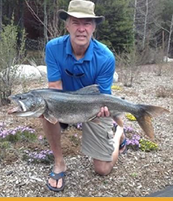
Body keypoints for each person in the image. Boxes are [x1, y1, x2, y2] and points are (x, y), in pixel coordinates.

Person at [43, 0, 126, 192]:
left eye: (87, 23)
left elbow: (102, 97)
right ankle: (59, 162)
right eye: (75, 22)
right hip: (65, 102)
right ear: (67, 25)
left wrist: (105, 111)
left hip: (94, 107)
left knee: (102, 169)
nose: (81, 29)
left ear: (94, 27)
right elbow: (54, 88)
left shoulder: (105, 57)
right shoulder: (53, 48)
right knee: (46, 109)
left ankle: (119, 132)